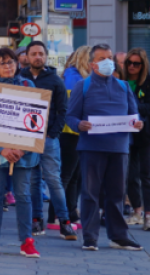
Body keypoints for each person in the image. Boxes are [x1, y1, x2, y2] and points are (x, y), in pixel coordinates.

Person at [65, 43, 145, 251]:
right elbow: (71, 116)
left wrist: (138, 123)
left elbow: (134, 115)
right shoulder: (82, 86)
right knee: (90, 193)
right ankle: (90, 237)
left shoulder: (123, 86)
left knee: (117, 193)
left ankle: (118, 236)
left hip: (119, 148)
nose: (108, 62)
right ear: (92, 64)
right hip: (91, 147)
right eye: (102, 59)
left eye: (110, 57)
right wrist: (78, 125)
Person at [0, 47, 41, 257]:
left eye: (11, 62)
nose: (8, 66)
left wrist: (21, 149)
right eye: (2, 63)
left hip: (24, 153)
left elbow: (36, 120)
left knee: (23, 195)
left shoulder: (29, 86)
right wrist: (1, 149)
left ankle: (27, 241)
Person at [20, 41, 76, 238]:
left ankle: (64, 221)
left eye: (41, 54)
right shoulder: (20, 78)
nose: (38, 57)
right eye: (34, 53)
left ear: (45, 56)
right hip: (26, 138)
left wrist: (53, 133)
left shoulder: (55, 80)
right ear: (27, 56)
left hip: (48, 138)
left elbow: (63, 110)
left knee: (54, 180)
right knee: (33, 181)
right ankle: (37, 220)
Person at [123, 48, 150, 231]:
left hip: (148, 132)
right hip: (126, 133)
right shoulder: (121, 81)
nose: (132, 66)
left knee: (149, 174)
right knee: (129, 175)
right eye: (129, 62)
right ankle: (136, 211)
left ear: (143, 65)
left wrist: (131, 107)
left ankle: (149, 216)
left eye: (136, 63)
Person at [60, 46, 92, 224]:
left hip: (76, 132)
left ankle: (70, 211)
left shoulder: (74, 77)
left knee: (75, 176)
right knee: (68, 175)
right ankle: (58, 214)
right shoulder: (74, 79)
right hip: (71, 133)